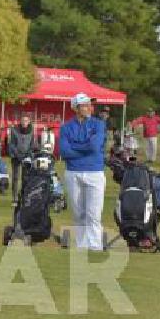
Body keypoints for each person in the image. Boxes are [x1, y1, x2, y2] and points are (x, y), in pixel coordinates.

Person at [59, 93, 106, 251]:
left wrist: (76, 147)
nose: (88, 108)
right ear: (76, 108)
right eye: (85, 105)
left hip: (94, 172)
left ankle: (95, 245)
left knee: (93, 213)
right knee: (78, 213)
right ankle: (81, 245)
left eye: (89, 105)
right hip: (73, 172)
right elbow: (64, 152)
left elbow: (95, 146)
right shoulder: (66, 127)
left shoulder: (98, 124)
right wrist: (85, 148)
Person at [8, 114, 37, 201]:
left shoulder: (31, 130)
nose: (24, 122)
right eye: (22, 120)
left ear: (28, 122)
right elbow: (11, 144)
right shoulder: (14, 130)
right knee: (15, 177)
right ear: (20, 121)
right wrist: (17, 154)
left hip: (26, 157)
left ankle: (24, 195)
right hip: (16, 156)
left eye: (26, 121)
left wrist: (28, 154)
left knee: (25, 177)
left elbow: (32, 144)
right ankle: (15, 196)